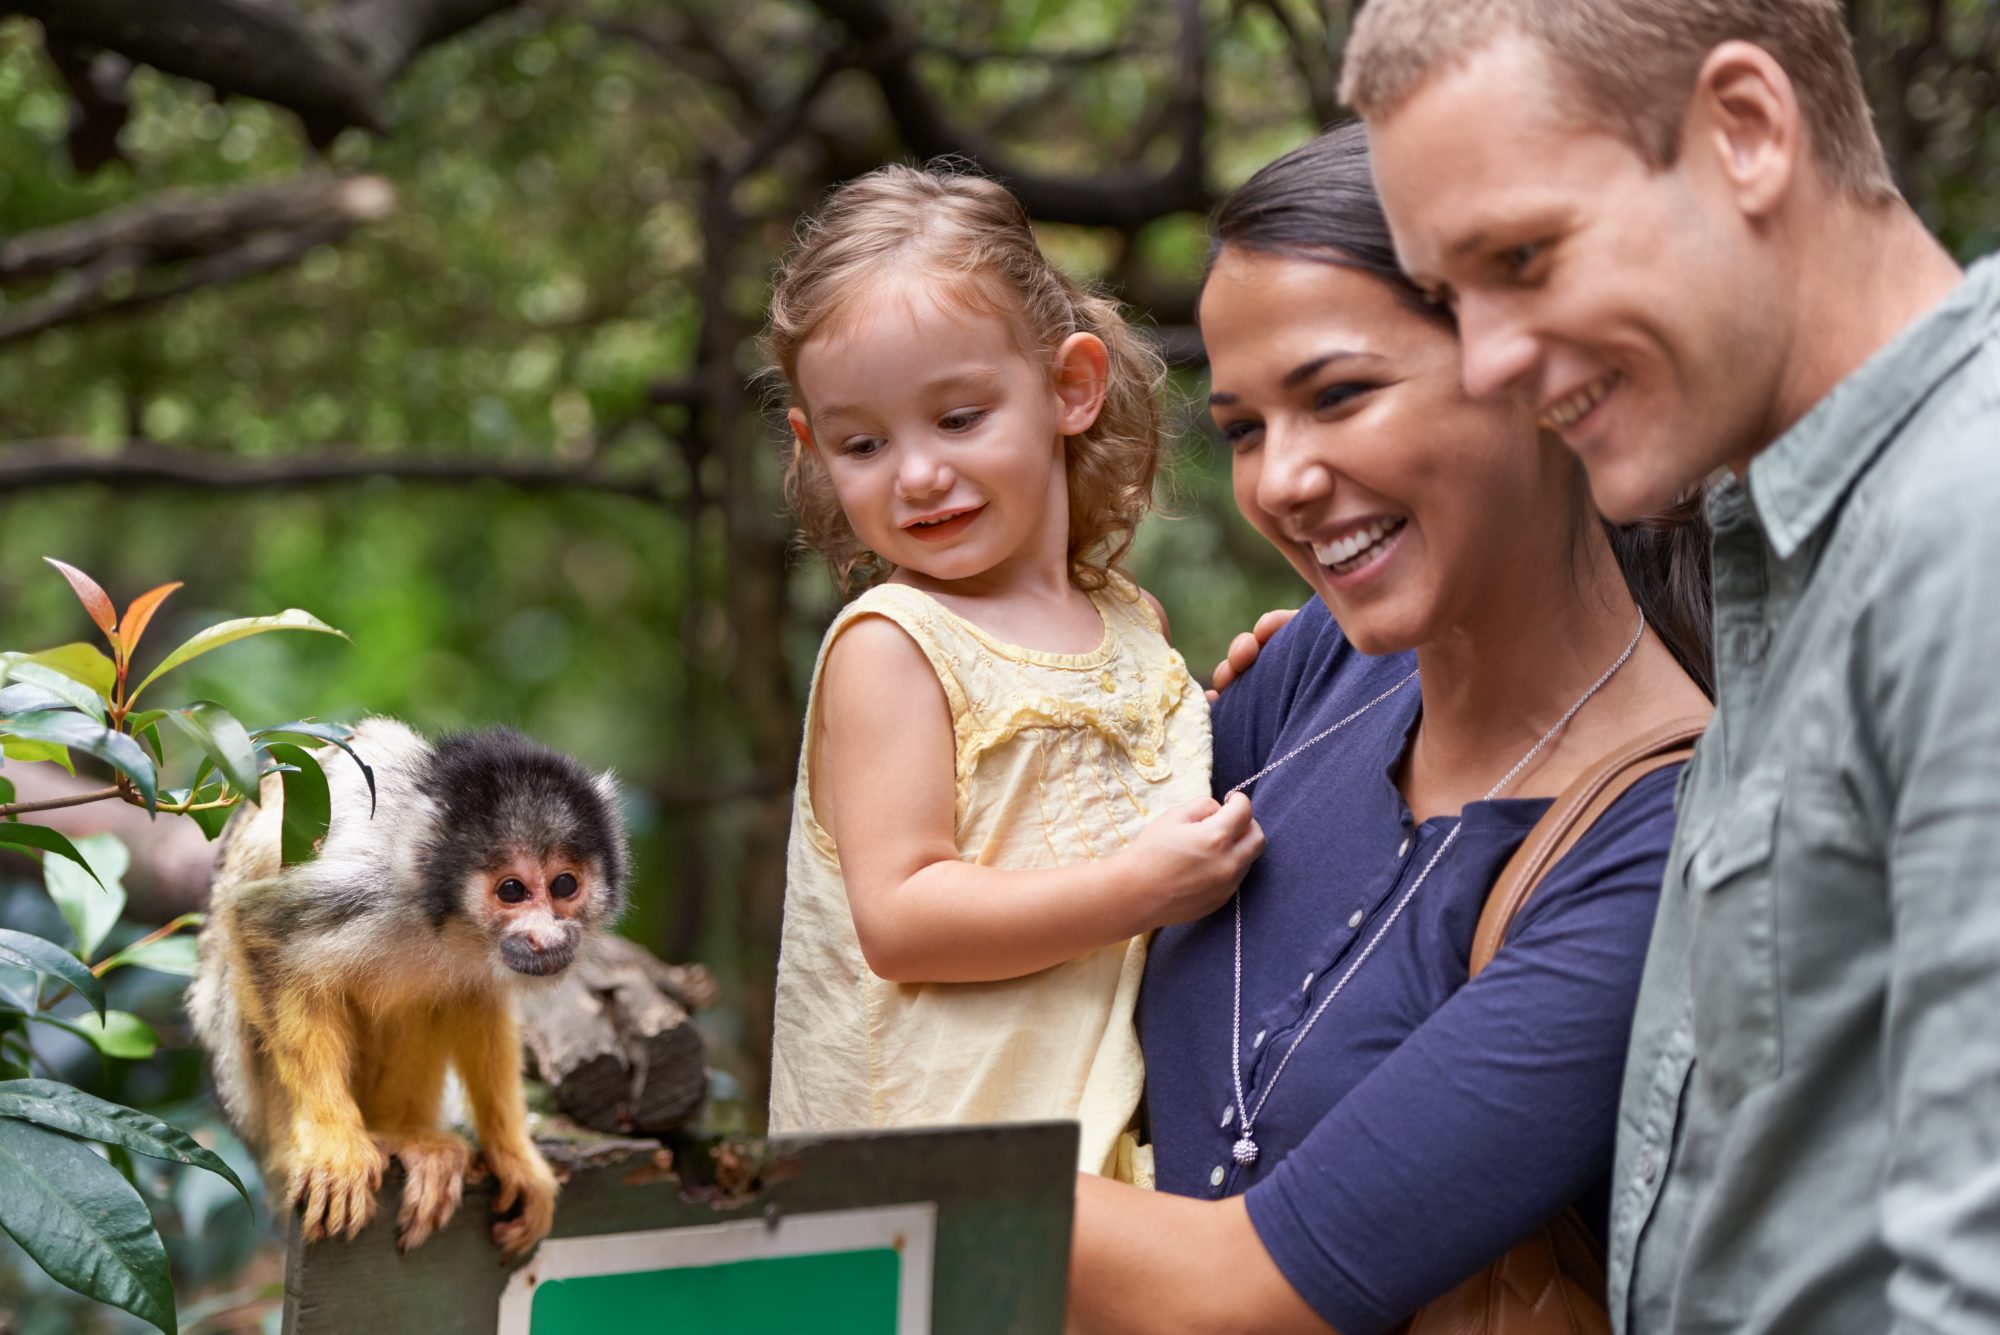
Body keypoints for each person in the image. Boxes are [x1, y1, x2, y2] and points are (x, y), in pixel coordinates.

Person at [1339, 0, 1998, 1330]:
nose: (1490, 361)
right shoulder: (1785, 545)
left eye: (1522, 256)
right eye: (1451, 300)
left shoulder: (1964, 530)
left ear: (1746, 132)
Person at [1067, 123, 1714, 1334]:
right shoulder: (1313, 667)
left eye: (1339, 395)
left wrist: (880, 1175)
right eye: (1247, 427)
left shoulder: (1660, 855)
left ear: (1541, 369)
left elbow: (1245, 1289)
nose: (1281, 481)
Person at [761, 164, 1265, 1179]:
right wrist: (1133, 889)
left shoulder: (1131, 625)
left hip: (1101, 1149)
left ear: (1068, 388)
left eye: (957, 419)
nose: (916, 474)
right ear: (816, 451)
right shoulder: (893, 646)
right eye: (863, 442)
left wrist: (1250, 696)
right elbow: (903, 918)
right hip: (935, 1172)